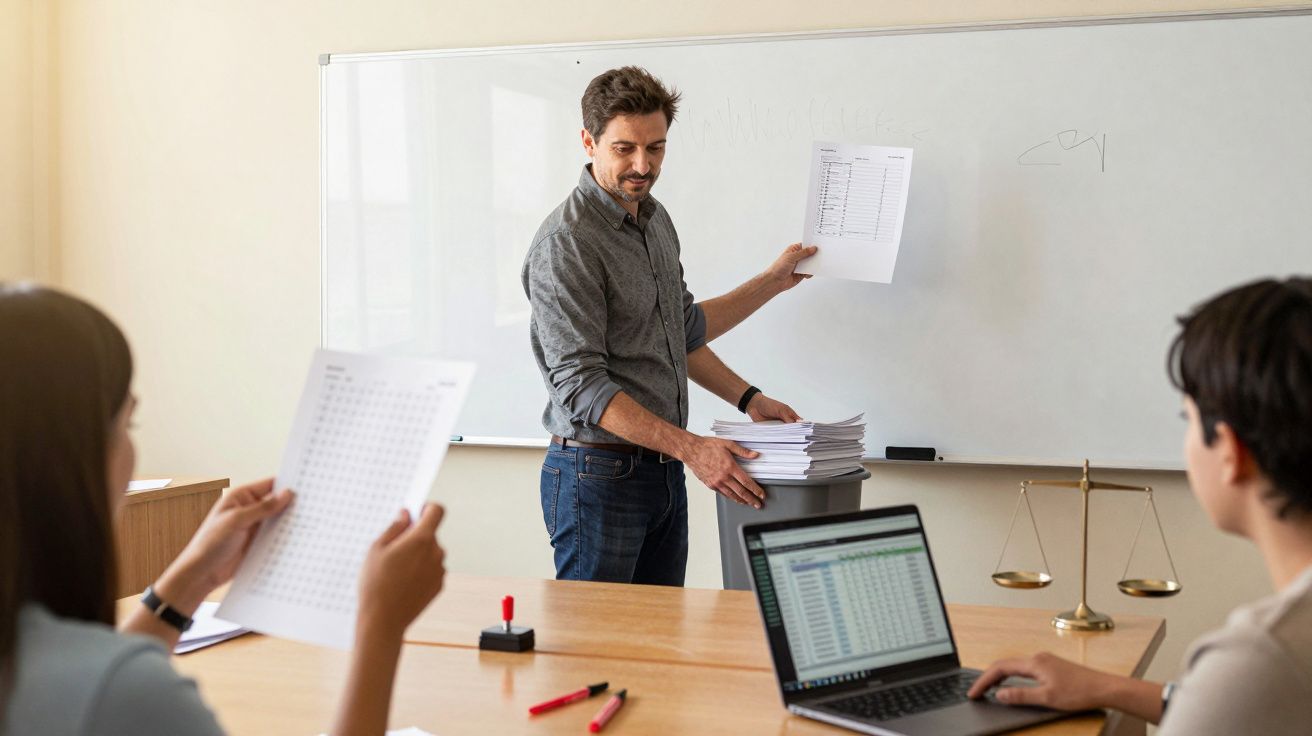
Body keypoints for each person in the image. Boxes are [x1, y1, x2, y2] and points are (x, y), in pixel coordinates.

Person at [0, 283, 447, 735]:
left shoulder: (57, 674)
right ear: (70, 454)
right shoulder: (126, 693)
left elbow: (88, 698)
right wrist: (379, 627)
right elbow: (107, 696)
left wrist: (192, 577)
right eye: (127, 422)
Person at [967, 277, 1312, 734]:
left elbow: (1244, 696)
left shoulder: (1263, 658)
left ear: (1230, 452)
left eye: (1187, 420)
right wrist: (1108, 688)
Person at [522, 65, 818, 586]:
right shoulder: (566, 242)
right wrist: (693, 448)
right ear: (588, 141)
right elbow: (580, 385)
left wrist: (750, 397)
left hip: (662, 471)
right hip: (597, 476)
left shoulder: (653, 219)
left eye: (656, 148)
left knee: (656, 648)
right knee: (597, 651)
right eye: (625, 149)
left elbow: (679, 331)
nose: (643, 165)